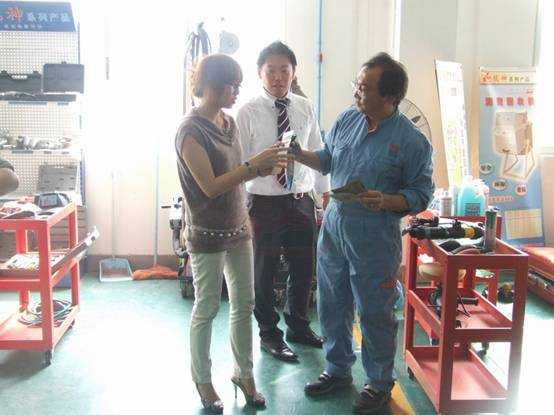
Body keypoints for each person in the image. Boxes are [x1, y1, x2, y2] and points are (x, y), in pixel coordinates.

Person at [290, 52, 434, 413]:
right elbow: (328, 159)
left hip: (375, 236)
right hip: (335, 227)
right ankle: (337, 369)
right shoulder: (347, 119)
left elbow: (420, 195)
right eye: (357, 83)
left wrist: (386, 200)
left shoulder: (412, 142)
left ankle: (379, 382)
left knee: (375, 311)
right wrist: (298, 153)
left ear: (390, 96)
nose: (356, 91)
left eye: (365, 87)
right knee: (331, 302)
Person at [175, 54, 288, 413]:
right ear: (211, 85)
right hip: (207, 232)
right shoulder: (190, 131)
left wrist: (262, 167)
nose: (237, 91)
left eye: (239, 85)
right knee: (207, 307)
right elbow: (210, 186)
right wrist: (254, 166)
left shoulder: (228, 122)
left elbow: (237, 174)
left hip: (239, 226)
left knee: (244, 303)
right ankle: (203, 380)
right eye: (232, 85)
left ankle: (244, 374)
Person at [236, 41, 330, 363]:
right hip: (263, 202)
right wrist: (240, 205)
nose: (278, 77)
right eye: (271, 71)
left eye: (284, 70)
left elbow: (317, 150)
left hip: (301, 200)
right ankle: (269, 334)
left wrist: (324, 192)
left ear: (294, 72)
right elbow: (239, 162)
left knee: (304, 267)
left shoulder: (305, 107)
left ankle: (298, 326)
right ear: (260, 73)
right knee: (264, 271)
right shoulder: (247, 112)